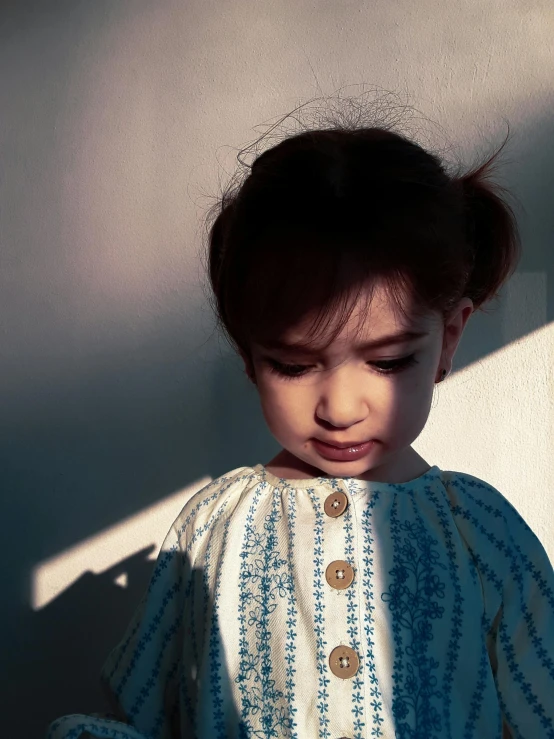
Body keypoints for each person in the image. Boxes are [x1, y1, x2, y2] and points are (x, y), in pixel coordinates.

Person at [47, 108, 554, 739]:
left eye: (389, 360)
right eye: (292, 365)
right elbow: (148, 714)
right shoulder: (212, 526)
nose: (340, 409)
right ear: (248, 354)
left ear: (448, 339)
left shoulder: (482, 531)